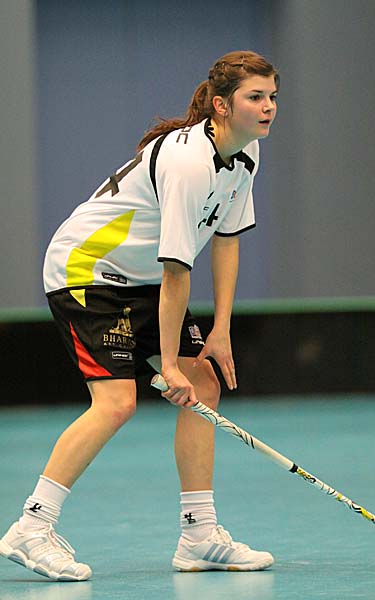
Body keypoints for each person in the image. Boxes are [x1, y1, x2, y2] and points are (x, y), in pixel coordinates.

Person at [0, 50, 279, 581]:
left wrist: (220, 331)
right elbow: (177, 270)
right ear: (222, 105)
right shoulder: (188, 163)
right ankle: (31, 527)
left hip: (142, 276)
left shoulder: (246, 154)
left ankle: (198, 535)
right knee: (116, 402)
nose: (268, 108)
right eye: (255, 97)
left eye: (272, 97)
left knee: (205, 382)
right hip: (89, 270)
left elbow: (226, 240)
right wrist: (167, 364)